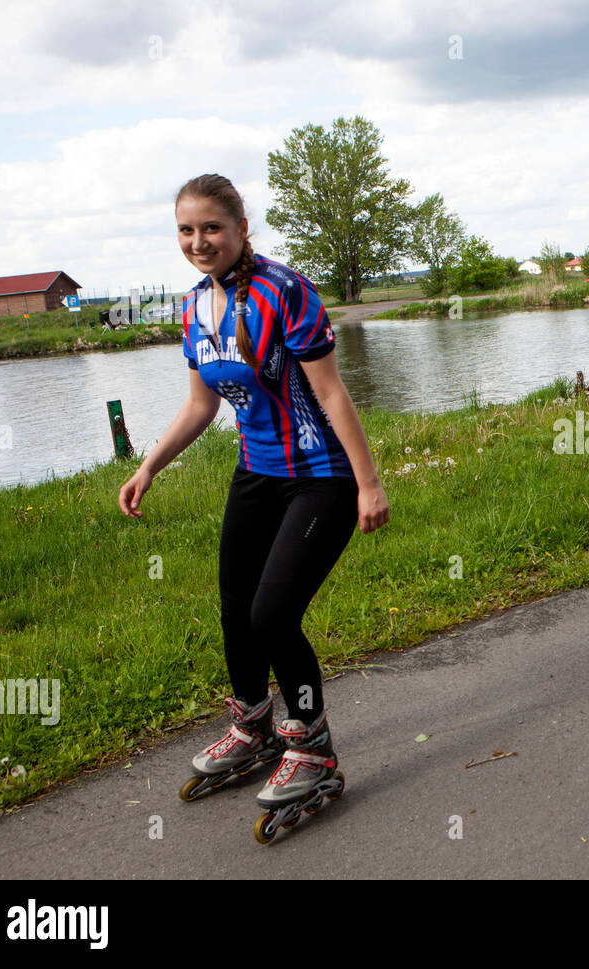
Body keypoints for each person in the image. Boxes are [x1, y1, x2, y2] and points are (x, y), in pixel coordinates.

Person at [118, 173, 389, 824]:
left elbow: (330, 393)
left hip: (320, 472)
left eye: (212, 227)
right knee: (235, 608)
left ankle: (313, 747)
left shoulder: (283, 290)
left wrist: (368, 480)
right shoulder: (193, 308)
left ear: (242, 227)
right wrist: (150, 465)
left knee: (272, 614)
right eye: (187, 229)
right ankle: (255, 726)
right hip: (257, 472)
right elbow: (200, 403)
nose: (199, 240)